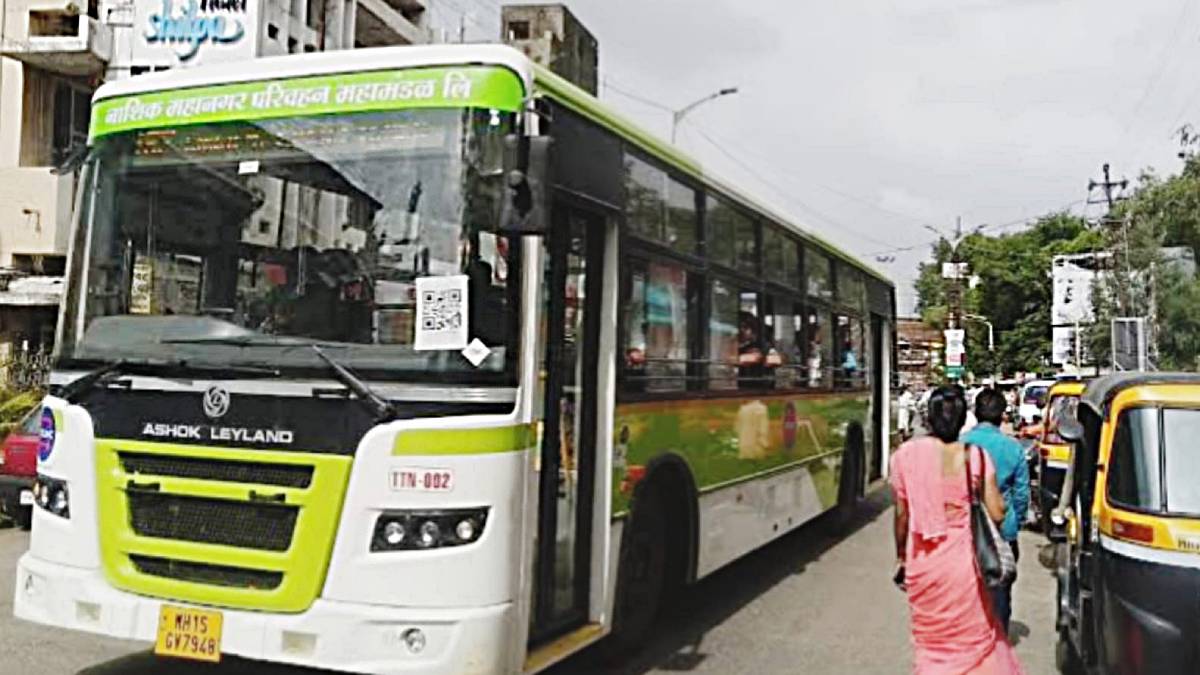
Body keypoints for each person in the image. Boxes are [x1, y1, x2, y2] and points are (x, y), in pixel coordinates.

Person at [890, 386, 1024, 675]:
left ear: (928, 417)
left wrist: (902, 556)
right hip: (965, 567)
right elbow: (997, 512)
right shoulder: (974, 456)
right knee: (971, 640)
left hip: (923, 564)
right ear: (964, 418)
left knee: (932, 643)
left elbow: (902, 516)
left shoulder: (904, 456)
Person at [962, 388, 1030, 634]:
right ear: (1002, 416)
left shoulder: (960, 445)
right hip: (1003, 529)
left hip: (965, 529)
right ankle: (998, 636)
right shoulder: (1012, 448)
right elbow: (1022, 494)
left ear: (975, 413)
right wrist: (1017, 521)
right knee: (1001, 589)